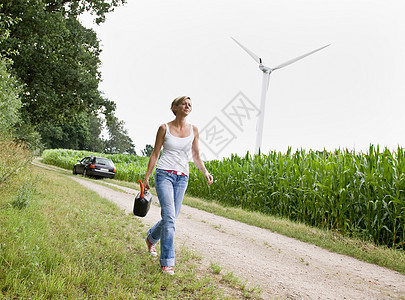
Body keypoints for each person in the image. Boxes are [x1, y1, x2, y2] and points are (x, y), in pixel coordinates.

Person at [142, 95, 213, 275]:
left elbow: (196, 156)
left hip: (182, 177)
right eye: (184, 103)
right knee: (169, 217)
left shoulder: (194, 130)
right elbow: (155, 154)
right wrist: (147, 177)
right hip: (164, 174)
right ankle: (167, 262)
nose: (187, 106)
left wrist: (205, 172)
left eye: (190, 104)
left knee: (171, 217)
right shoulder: (164, 128)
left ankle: (151, 237)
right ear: (175, 107)